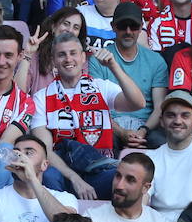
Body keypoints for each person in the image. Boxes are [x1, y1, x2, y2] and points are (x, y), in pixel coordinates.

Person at [31, 33, 144, 200]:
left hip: (100, 169)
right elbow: (45, 150)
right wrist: (74, 178)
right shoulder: (41, 97)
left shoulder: (101, 87)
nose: (68, 59)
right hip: (63, 173)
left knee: (123, 179)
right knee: (46, 175)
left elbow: (138, 103)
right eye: (61, 54)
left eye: (73, 53)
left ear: (84, 57)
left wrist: (113, 66)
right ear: (54, 60)